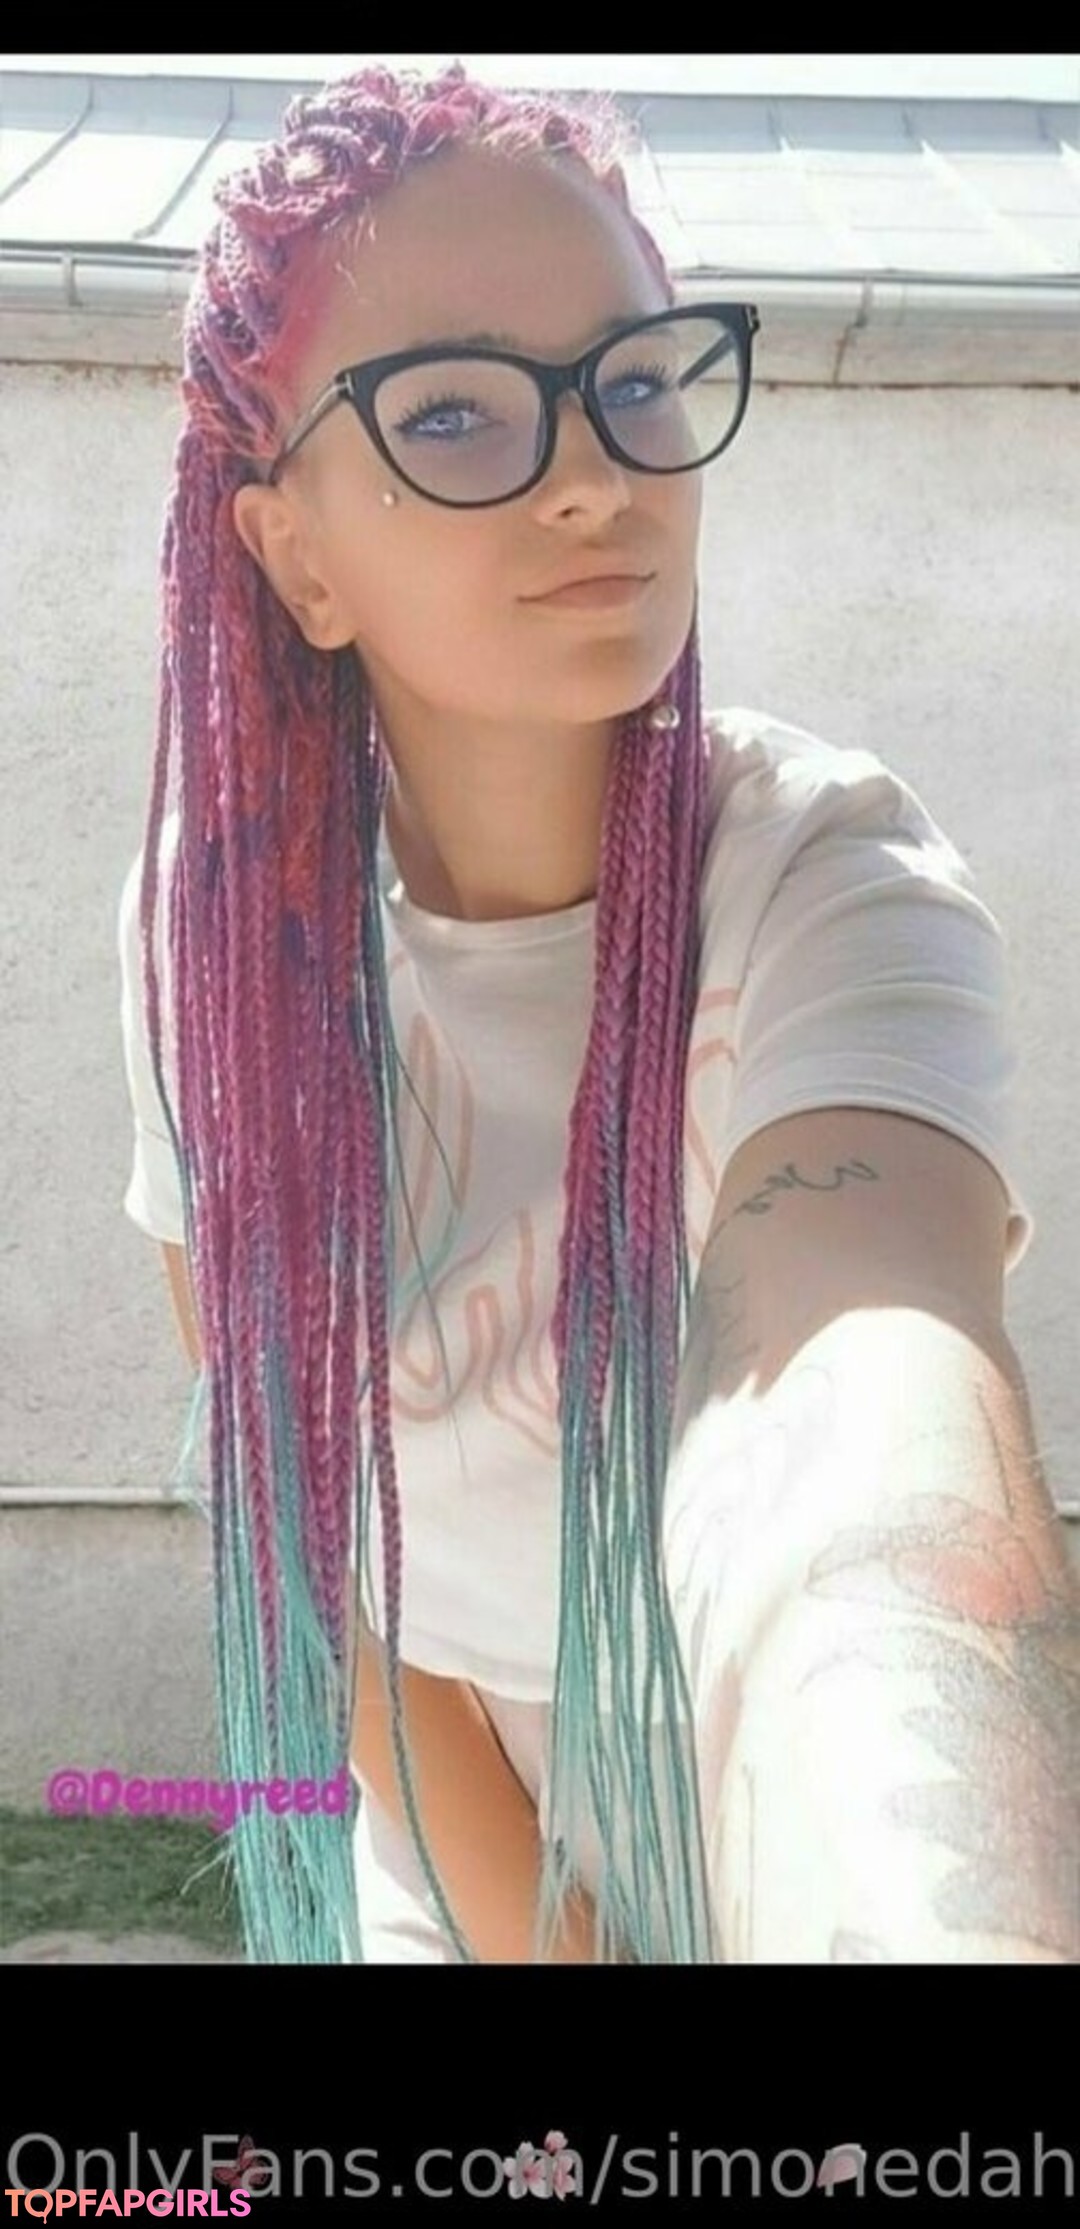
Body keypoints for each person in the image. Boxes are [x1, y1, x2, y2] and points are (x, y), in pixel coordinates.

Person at [118, 61, 1078, 1965]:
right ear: (296, 555)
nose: (594, 475)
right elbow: (296, 1505)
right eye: (450, 411)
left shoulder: (830, 878)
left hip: (797, 1784)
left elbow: (861, 1404)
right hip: (445, 1804)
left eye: (636, 381)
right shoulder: (212, 948)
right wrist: (547, 1942)